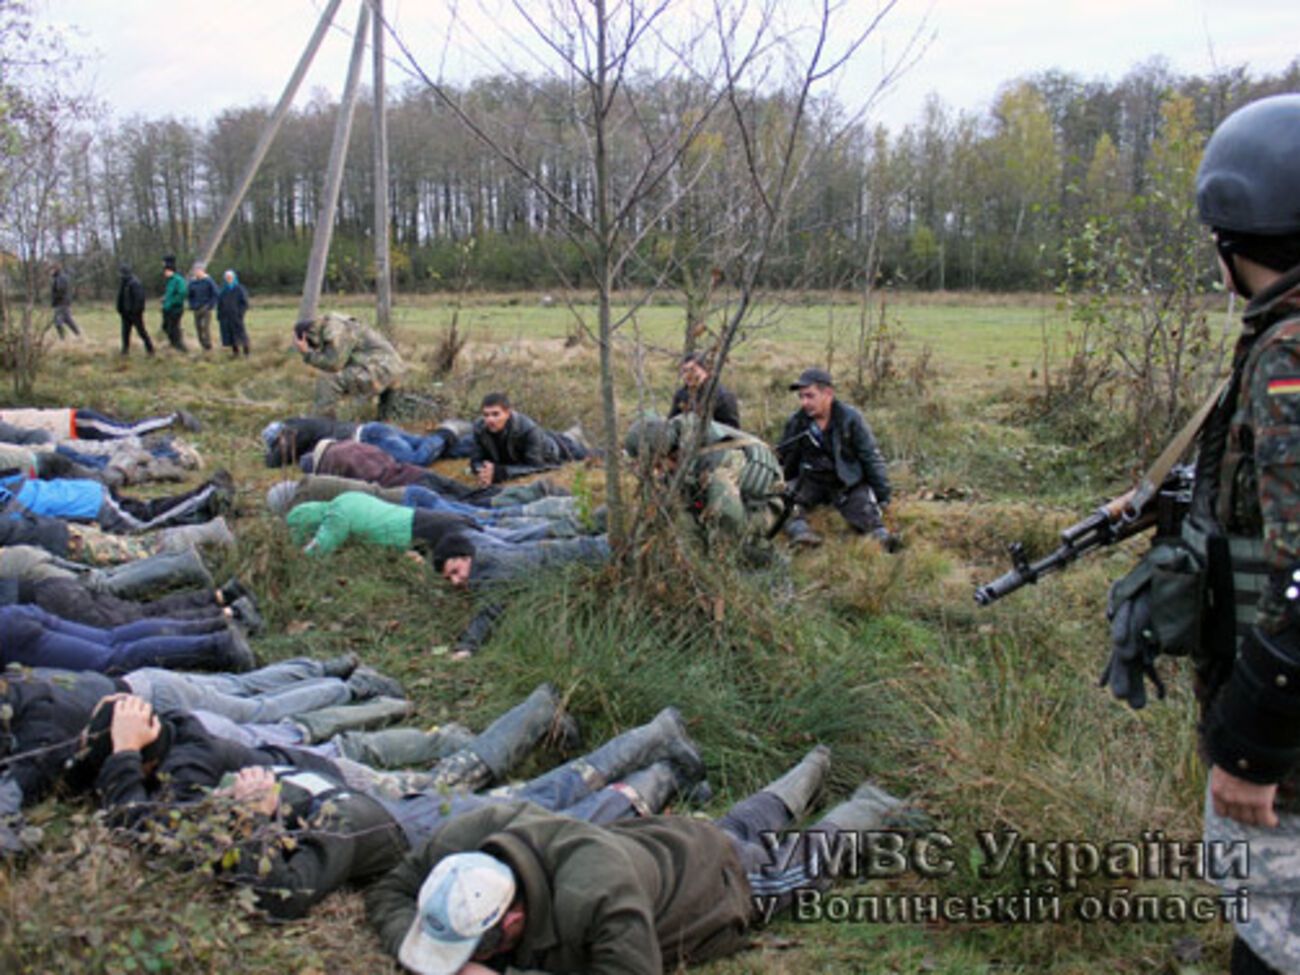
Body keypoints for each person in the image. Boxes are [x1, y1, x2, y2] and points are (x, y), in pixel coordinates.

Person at [1099, 94, 1300, 975]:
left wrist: (1252, 744)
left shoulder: (1288, 355)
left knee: (1274, 939)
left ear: (1234, 239)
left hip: (1286, 731)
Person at [367, 746, 914, 975]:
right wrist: (439, 957)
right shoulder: (474, 840)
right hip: (669, 843)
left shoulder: (597, 897)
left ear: (512, 919)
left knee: (797, 865)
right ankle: (817, 760)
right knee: (741, 826)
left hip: (718, 883)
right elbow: (387, 892)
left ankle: (878, 805)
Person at [154, 706, 703, 919]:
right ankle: (660, 759)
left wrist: (253, 818)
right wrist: (254, 819)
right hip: (407, 819)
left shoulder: (327, 821)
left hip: (412, 822)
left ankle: (659, 757)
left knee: (549, 811)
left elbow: (285, 894)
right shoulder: (311, 806)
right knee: (544, 802)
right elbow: (283, 891)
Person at [432, 529, 609, 657]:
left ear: (466, 557)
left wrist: (466, 647)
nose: (455, 581)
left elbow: (490, 609)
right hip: (588, 551)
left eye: (455, 571)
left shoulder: (489, 569)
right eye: (449, 578)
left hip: (595, 557)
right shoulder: (486, 556)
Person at [776, 367, 896, 551]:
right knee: (782, 502)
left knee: (864, 510)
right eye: (801, 397)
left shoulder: (851, 418)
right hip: (810, 480)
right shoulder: (797, 421)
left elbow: (870, 456)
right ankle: (801, 534)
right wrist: (780, 481)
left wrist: (883, 494)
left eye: (810, 396)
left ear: (828, 394)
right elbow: (785, 456)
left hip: (845, 481)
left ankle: (884, 540)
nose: (804, 402)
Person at [625, 414, 783, 551]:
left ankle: (763, 557)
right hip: (734, 497)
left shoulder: (715, 465)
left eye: (658, 465)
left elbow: (729, 523)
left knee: (702, 534)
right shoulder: (681, 439)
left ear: (666, 454)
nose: (657, 472)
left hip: (762, 508)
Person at [0, 466, 234, 534]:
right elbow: (16, 474)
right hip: (79, 491)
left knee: (145, 521)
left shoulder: (9, 514)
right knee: (147, 509)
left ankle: (210, 494)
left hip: (86, 507)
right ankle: (203, 507)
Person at [293, 312, 405, 418]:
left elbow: (334, 364)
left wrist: (307, 354)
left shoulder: (335, 330)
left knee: (328, 380)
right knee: (391, 416)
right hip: (389, 368)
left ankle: (321, 422)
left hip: (382, 369)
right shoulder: (330, 326)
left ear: (308, 335)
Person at [261, 417, 475, 469]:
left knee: (415, 460)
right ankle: (477, 444)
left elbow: (276, 460)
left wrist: (269, 455)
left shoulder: (294, 429)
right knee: (427, 447)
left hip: (369, 438)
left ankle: (446, 431)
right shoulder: (302, 425)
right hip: (373, 431)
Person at [471, 393, 589, 486]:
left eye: (495, 414)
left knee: (589, 454)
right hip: (535, 443)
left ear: (508, 413)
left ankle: (576, 434)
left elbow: (538, 466)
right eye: (486, 415)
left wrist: (501, 472)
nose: (490, 420)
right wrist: (483, 472)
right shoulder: (479, 428)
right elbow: (475, 461)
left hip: (559, 449)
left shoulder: (528, 430)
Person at [0, 406, 200, 442]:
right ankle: (167, 435)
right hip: (73, 425)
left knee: (125, 432)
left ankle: (172, 419)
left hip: (76, 423)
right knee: (124, 435)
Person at [669, 352, 740, 428]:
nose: (687, 375)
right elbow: (672, 423)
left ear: (705, 371)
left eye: (692, 370)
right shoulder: (681, 395)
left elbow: (732, 429)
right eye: (684, 371)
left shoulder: (723, 396)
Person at [115, 263, 154, 356]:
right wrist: (120, 309)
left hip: (134, 314)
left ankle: (150, 349)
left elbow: (140, 299)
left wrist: (136, 311)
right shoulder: (124, 284)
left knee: (141, 332)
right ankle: (125, 351)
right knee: (125, 333)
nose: (120, 276)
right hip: (125, 313)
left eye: (121, 273)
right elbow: (120, 297)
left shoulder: (135, 283)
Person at [217, 268, 250, 357]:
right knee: (230, 335)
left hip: (236, 316)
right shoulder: (223, 290)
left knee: (241, 333)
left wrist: (240, 313)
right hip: (226, 317)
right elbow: (219, 304)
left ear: (234, 278)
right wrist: (220, 315)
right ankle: (235, 353)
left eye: (230, 277)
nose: (228, 279)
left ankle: (246, 352)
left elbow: (244, 303)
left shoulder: (239, 289)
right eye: (227, 278)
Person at [186, 263, 218, 352]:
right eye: (195, 271)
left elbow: (215, 293)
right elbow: (190, 295)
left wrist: (210, 305)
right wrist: (191, 305)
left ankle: (208, 346)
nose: (197, 272)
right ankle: (203, 345)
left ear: (203, 271)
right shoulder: (192, 283)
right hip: (196, 308)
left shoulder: (209, 281)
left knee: (205, 327)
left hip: (206, 308)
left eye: (199, 270)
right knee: (198, 328)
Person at [160, 255, 188, 352]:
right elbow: (170, 293)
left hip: (175, 309)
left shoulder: (178, 280)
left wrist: (171, 301)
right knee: (166, 327)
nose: (164, 273)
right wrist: (165, 298)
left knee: (174, 328)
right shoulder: (170, 281)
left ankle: (180, 347)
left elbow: (182, 293)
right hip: (167, 308)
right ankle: (173, 344)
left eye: (166, 271)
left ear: (170, 271)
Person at [48, 262, 81, 340]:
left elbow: (61, 291)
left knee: (57, 322)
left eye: (51, 270)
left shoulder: (61, 278)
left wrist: (55, 298)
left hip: (61, 303)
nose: (50, 272)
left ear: (55, 269)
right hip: (63, 303)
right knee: (68, 320)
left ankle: (63, 338)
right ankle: (78, 335)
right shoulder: (58, 277)